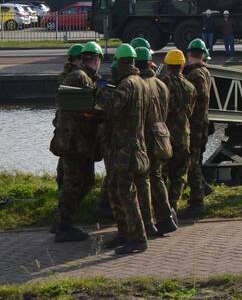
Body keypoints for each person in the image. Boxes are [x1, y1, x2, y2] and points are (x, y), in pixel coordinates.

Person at [95, 43, 150, 254]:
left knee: (126, 192)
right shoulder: (141, 82)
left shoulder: (127, 84)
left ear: (119, 62)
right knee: (116, 190)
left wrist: (99, 91)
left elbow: (112, 107)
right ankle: (125, 233)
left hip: (125, 148)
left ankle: (138, 237)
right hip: (135, 144)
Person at [51, 41, 101, 242]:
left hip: (80, 142)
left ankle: (62, 221)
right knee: (73, 183)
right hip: (74, 143)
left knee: (86, 180)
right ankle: (63, 227)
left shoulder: (84, 77)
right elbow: (78, 112)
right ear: (96, 60)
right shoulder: (78, 78)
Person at [134, 47, 176, 238]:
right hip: (161, 135)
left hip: (144, 136)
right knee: (157, 177)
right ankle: (166, 218)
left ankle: (148, 222)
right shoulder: (161, 84)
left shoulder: (138, 84)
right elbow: (166, 111)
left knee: (143, 180)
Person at [50, 43, 85, 233]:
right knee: (71, 177)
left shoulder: (64, 77)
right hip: (70, 135)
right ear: (77, 60)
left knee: (65, 175)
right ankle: (63, 221)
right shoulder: (74, 78)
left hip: (63, 134)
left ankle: (61, 217)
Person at [159, 49, 195, 217]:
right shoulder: (190, 87)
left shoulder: (161, 84)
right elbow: (190, 112)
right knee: (179, 174)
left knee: (161, 174)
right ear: (182, 65)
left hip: (164, 136)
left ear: (166, 65)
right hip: (183, 134)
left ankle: (162, 208)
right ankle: (173, 206)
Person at [178, 39, 211, 220]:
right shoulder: (204, 71)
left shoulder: (196, 75)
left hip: (195, 124)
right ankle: (202, 187)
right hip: (201, 123)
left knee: (192, 162)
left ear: (189, 54)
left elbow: (196, 100)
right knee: (194, 159)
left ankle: (197, 202)